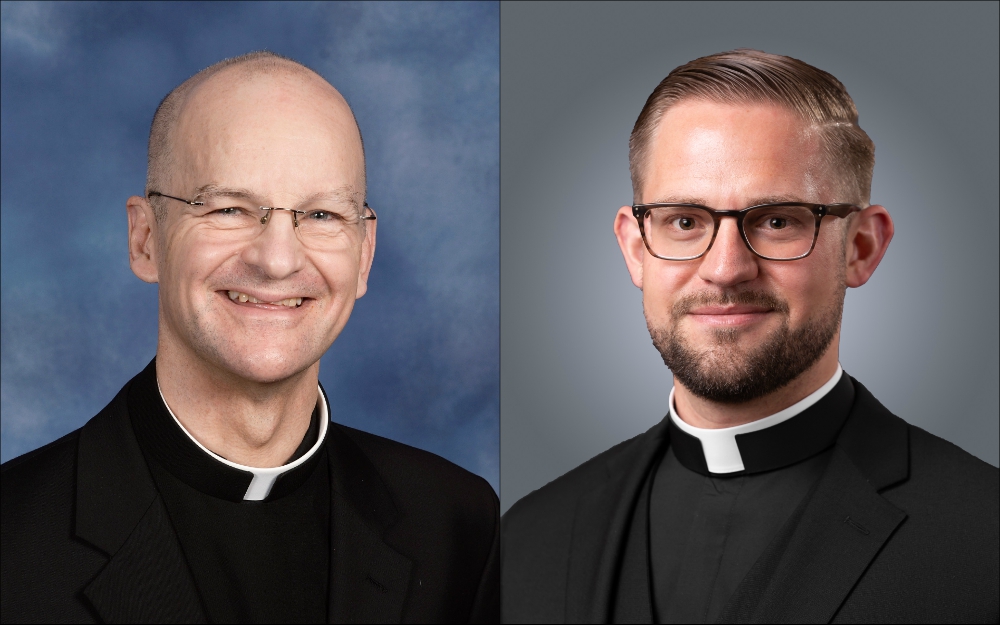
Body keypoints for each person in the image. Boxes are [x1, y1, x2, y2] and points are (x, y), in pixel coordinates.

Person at [501, 49, 997, 623]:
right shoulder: (529, 537)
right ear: (636, 250)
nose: (726, 268)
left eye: (778, 220)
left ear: (861, 248)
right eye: (684, 221)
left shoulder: (985, 537)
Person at [1, 51, 498, 624]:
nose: (278, 260)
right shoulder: (11, 540)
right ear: (145, 240)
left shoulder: (458, 528)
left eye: (321, 216)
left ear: (364, 255)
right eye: (231, 209)